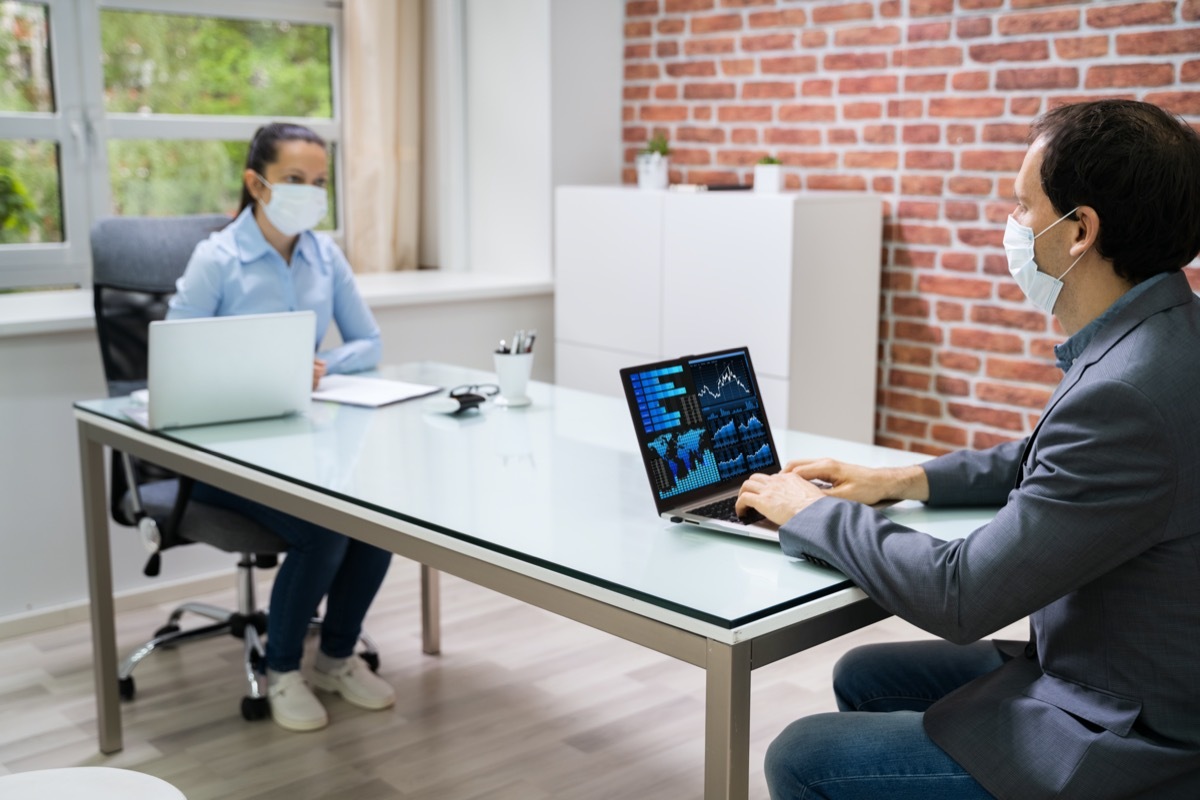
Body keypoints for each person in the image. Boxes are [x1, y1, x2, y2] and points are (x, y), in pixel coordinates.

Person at [737, 99, 1200, 799]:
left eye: (1023, 206)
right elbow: (1044, 460)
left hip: (1128, 734)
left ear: (1079, 231)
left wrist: (809, 512)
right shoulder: (1164, 337)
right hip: (1126, 672)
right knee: (864, 673)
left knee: (802, 755)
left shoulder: (1126, 394)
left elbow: (963, 595)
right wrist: (897, 479)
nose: (1013, 226)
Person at [167, 122, 394, 732]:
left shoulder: (325, 256)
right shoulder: (217, 258)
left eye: (318, 183)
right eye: (294, 180)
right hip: (222, 454)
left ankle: (337, 661)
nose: (309, 194)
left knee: (378, 521)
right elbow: (176, 357)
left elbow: (368, 342)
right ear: (256, 183)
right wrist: (269, 367)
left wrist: (319, 366)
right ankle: (283, 670)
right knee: (324, 530)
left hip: (304, 442)